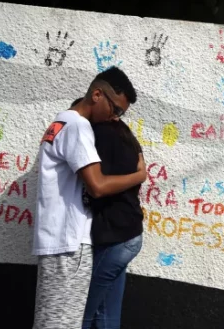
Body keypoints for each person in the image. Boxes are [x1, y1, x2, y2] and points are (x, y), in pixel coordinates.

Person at [32, 67, 148, 329]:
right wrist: (140, 175)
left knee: (53, 320)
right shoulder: (78, 126)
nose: (116, 118)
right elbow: (97, 186)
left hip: (56, 237)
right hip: (70, 241)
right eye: (115, 109)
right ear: (97, 94)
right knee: (63, 323)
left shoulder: (60, 122)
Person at [66, 98, 145, 329]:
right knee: (106, 312)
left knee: (83, 313)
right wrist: (140, 175)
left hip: (116, 239)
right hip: (129, 235)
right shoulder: (124, 133)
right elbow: (139, 165)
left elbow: (98, 186)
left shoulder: (99, 135)